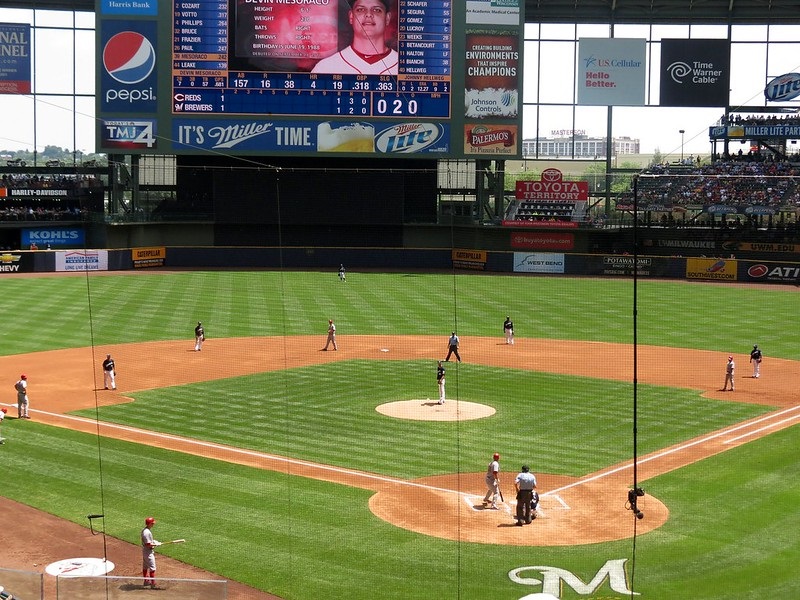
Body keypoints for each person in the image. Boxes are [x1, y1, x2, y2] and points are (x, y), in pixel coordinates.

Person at [311, 0, 398, 75]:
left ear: (387, 18)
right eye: (360, 9)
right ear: (351, 16)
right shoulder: (325, 68)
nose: (368, 14)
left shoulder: (406, 67)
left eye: (376, 10)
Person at [141, 516, 161, 588]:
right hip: (148, 552)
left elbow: (149, 542)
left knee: (145, 566)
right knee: (152, 568)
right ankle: (153, 583)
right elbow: (148, 544)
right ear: (149, 524)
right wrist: (155, 544)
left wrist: (154, 542)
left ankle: (146, 581)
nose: (153, 524)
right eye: (152, 523)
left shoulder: (145, 530)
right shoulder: (146, 532)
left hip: (145, 551)